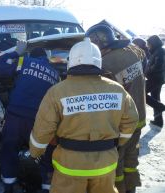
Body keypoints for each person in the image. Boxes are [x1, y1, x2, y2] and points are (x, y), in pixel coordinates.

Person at [29, 38, 139, 193]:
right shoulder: (117, 90)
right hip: (105, 165)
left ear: (71, 62)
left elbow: (43, 129)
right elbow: (132, 120)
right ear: (98, 62)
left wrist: (35, 152)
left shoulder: (57, 92)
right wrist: (116, 141)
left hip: (70, 167)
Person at [86, 24, 146, 193]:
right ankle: (131, 188)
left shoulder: (106, 64)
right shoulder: (131, 53)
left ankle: (119, 188)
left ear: (98, 43)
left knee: (116, 163)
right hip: (139, 117)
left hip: (122, 123)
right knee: (131, 159)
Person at [0, 41, 59, 193]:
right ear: (47, 58)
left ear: (31, 55)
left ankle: (9, 187)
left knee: (9, 150)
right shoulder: (55, 74)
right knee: (45, 154)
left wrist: (16, 52)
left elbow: (1, 67)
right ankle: (46, 188)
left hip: (15, 116)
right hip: (39, 121)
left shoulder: (24, 61)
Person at [145, 35, 165, 128]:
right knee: (155, 97)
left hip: (155, 78)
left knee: (141, 93)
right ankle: (158, 121)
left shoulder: (160, 51)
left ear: (153, 43)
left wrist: (146, 72)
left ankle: (160, 106)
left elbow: (158, 65)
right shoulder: (156, 51)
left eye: (148, 44)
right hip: (156, 78)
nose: (147, 46)